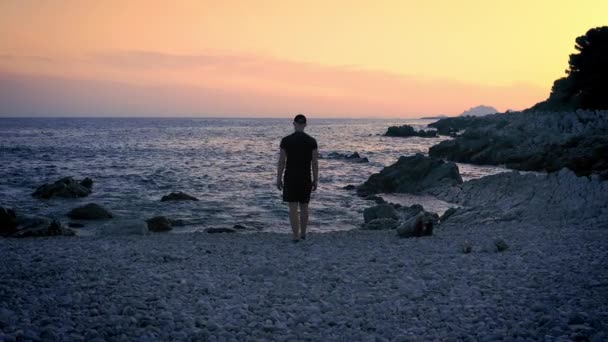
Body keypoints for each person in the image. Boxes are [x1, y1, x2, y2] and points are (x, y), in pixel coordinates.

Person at [276, 114, 318, 242]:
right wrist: (316, 179)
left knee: (293, 207)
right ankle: (303, 234)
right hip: (305, 177)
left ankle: (295, 235)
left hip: (291, 177)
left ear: (294, 124)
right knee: (304, 207)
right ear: (305, 124)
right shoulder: (311, 141)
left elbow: (282, 161)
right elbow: (314, 162)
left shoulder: (286, 140)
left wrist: (278, 178)